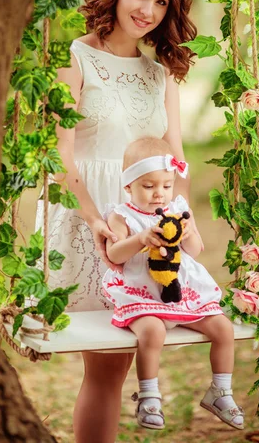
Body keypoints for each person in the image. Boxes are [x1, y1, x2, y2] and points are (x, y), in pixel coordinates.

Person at [35, 0, 196, 443]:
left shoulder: (159, 73)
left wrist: (182, 223)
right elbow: (60, 157)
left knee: (115, 366)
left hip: (143, 226)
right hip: (87, 220)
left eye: (162, 2)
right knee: (102, 362)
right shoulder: (75, 57)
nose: (148, 10)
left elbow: (174, 155)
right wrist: (94, 219)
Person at [102, 136, 244, 432]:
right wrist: (140, 239)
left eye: (166, 186)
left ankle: (220, 391)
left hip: (182, 292)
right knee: (152, 332)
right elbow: (113, 254)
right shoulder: (122, 215)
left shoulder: (177, 209)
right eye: (149, 186)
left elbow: (195, 251)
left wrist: (188, 231)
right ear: (129, 186)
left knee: (223, 328)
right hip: (142, 293)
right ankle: (149, 395)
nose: (159, 194)